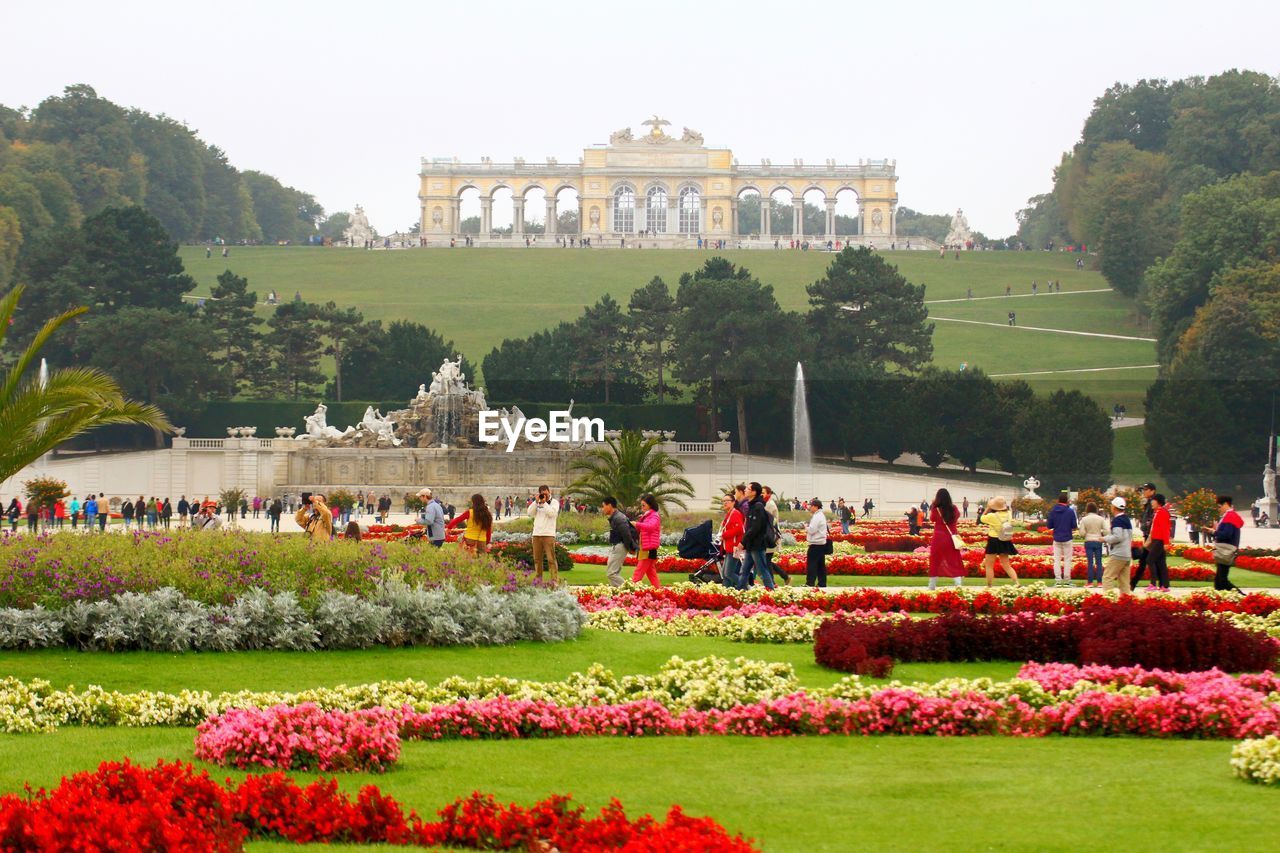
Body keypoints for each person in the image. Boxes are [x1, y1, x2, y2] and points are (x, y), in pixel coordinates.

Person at [739, 482, 776, 590]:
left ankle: (771, 591)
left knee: (762, 570)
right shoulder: (752, 505)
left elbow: (755, 528)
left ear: (754, 492)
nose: (745, 490)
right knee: (744, 571)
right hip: (751, 545)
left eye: (747, 488)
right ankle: (740, 592)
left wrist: (743, 542)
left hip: (757, 545)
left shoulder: (758, 507)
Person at [1205, 495, 1244, 594]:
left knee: (1221, 580)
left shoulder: (1230, 516)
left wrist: (1214, 532)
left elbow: (1226, 534)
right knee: (1219, 581)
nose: (1219, 509)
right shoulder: (1231, 516)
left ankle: (1242, 597)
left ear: (1226, 504)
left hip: (1225, 550)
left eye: (1219, 506)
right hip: (1227, 549)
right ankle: (1226, 599)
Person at [928, 488, 965, 590]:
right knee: (953, 561)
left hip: (938, 538)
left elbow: (932, 519)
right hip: (951, 538)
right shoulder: (954, 509)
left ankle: (931, 586)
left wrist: (933, 505)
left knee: (935, 561)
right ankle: (958, 585)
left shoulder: (936, 509)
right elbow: (956, 517)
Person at [979, 496, 1019, 586]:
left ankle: (989, 585)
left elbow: (981, 518)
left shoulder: (991, 516)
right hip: (1005, 539)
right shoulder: (1009, 513)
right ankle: (1016, 582)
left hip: (993, 540)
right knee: (1007, 565)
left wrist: (987, 508)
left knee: (989, 566)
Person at [527, 484, 560, 583]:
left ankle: (554, 581)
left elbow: (552, 514)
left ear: (549, 492)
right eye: (542, 494)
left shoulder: (554, 502)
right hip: (536, 534)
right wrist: (536, 502)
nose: (544, 496)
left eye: (545, 493)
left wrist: (545, 503)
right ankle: (538, 580)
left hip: (548, 534)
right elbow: (529, 513)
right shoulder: (537, 503)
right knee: (537, 559)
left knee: (551, 559)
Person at [1101, 497, 1134, 595]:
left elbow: (1117, 537)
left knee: (1107, 577)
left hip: (1118, 554)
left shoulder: (1117, 520)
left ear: (1114, 507)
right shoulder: (1127, 519)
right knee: (1124, 582)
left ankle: (1109, 600)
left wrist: (1105, 538)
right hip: (1127, 554)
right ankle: (1126, 603)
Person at [601, 496, 635, 588]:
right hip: (618, 546)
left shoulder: (618, 518)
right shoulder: (616, 517)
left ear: (610, 505)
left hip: (620, 546)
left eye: (603, 506)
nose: (602, 508)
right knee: (613, 572)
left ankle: (630, 590)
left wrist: (631, 548)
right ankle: (618, 593)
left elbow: (626, 534)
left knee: (611, 573)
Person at [1046, 491, 1078, 587]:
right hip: (1067, 537)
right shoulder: (1070, 511)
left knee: (1057, 560)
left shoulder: (1053, 511)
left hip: (1057, 538)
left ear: (1058, 501)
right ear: (1067, 501)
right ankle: (1067, 580)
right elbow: (1074, 526)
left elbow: (1049, 526)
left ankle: (1058, 580)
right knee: (1067, 560)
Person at [1130, 483, 1158, 590]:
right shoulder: (1148, 503)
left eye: (1146, 490)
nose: (1144, 492)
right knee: (1148, 560)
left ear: (1152, 491)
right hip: (1147, 535)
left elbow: (1151, 520)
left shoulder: (1153, 504)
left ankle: (1135, 583)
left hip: (1151, 536)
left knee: (1148, 560)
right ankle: (1134, 583)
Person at [631, 494, 662, 587]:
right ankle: (659, 591)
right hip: (645, 547)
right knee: (651, 572)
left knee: (638, 572)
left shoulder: (654, 516)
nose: (642, 507)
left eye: (643, 505)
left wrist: (637, 524)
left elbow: (651, 527)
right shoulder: (647, 516)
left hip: (648, 548)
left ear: (650, 504)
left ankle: (630, 589)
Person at [761, 486, 789, 585]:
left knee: (766, 561)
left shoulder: (770, 505)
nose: (761, 494)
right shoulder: (765, 503)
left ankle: (772, 582)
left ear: (769, 494)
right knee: (765, 560)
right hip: (768, 536)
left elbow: (768, 522)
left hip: (770, 537)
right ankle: (784, 576)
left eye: (763, 492)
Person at [1145, 494, 1172, 591]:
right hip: (1157, 539)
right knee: (1161, 562)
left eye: (1153, 500)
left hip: (1159, 540)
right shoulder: (1158, 512)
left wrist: (1166, 542)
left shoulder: (1162, 512)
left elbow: (1165, 528)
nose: (1152, 502)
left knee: (1150, 560)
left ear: (1158, 501)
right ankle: (1164, 585)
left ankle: (1153, 584)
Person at [718, 493, 745, 588]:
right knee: (725, 574)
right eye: (723, 501)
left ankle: (745, 587)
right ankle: (727, 592)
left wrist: (724, 535)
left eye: (727, 501)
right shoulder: (730, 514)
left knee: (728, 573)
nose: (724, 503)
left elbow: (739, 529)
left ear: (733, 502)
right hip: (729, 547)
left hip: (734, 547)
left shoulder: (735, 513)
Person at [1079, 502, 1108, 588]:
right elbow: (1106, 531)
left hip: (1089, 541)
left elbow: (1082, 533)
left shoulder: (1084, 519)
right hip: (1098, 540)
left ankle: (1090, 582)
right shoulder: (1101, 519)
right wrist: (1102, 534)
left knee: (1090, 562)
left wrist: (1087, 533)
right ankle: (1100, 582)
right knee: (1099, 562)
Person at [806, 498, 830, 587]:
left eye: (811, 506)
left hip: (816, 543)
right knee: (820, 565)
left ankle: (810, 583)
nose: (810, 507)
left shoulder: (817, 516)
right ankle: (822, 583)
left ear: (816, 507)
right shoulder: (820, 515)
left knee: (811, 564)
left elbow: (812, 530)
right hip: (821, 543)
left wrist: (806, 527)